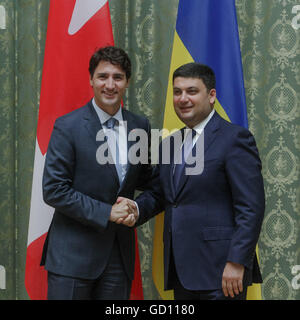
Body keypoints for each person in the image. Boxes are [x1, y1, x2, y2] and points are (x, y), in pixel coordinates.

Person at [121, 62, 265, 300]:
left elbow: (251, 207)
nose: (183, 98)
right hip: (182, 270)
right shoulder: (170, 143)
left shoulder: (235, 139)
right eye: (177, 92)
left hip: (222, 272)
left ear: (211, 96)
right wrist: (135, 208)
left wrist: (237, 262)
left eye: (191, 91)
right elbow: (160, 193)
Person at [41, 46, 152, 300]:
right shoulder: (67, 126)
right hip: (72, 258)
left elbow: (148, 180)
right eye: (103, 76)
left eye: (118, 77)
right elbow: (54, 190)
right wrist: (107, 212)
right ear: (91, 79)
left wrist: (137, 207)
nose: (110, 84)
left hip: (118, 258)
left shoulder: (140, 126)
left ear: (127, 82)